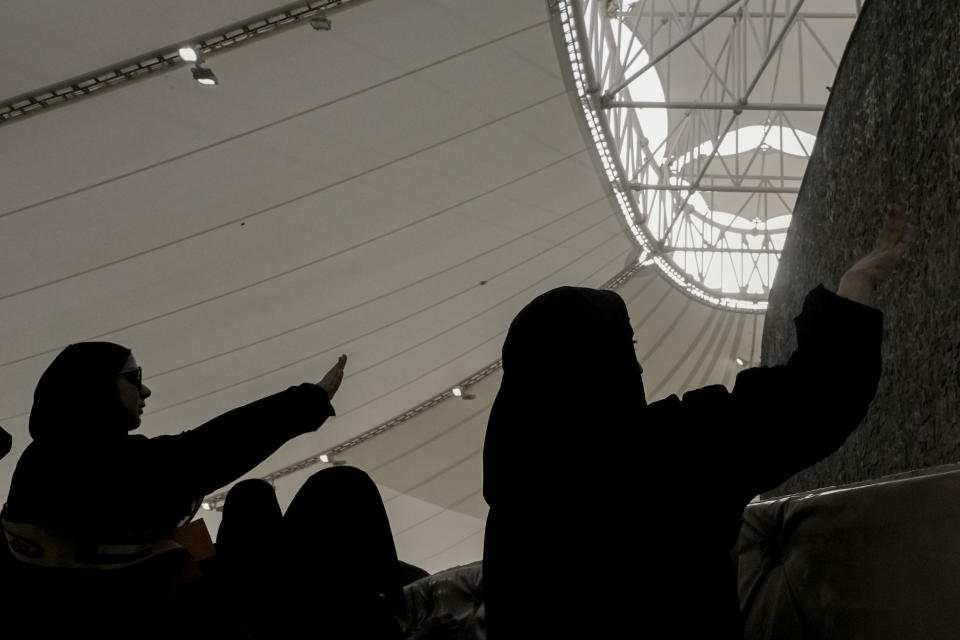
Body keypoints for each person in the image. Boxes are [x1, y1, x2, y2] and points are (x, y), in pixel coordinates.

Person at [482, 205, 914, 638]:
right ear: (606, 362)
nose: (638, 366)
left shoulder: (511, 509)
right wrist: (857, 283)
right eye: (626, 345)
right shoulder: (668, 452)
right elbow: (816, 396)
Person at [0, 343, 347, 637]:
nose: (145, 390)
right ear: (96, 386)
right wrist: (307, 402)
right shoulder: (76, 462)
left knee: (251, 499)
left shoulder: (50, 458)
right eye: (134, 378)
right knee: (319, 492)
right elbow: (199, 456)